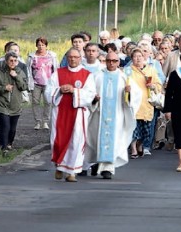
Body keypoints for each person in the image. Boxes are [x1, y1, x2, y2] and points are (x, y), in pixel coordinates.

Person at [85, 51, 142, 179]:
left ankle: (107, 169)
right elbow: (88, 92)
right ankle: (98, 163)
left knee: (114, 141)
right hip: (99, 114)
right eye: (109, 61)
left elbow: (136, 96)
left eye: (114, 61)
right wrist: (94, 99)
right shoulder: (97, 76)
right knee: (96, 140)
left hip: (117, 114)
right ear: (105, 61)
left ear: (118, 62)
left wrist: (129, 93)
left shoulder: (124, 77)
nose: (111, 63)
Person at [45, 48, 97, 182]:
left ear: (80, 58)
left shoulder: (87, 75)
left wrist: (75, 91)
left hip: (78, 113)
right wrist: (59, 90)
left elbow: (90, 94)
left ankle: (71, 172)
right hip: (60, 112)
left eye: (75, 57)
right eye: (70, 57)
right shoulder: (58, 73)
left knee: (76, 141)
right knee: (58, 140)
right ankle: (59, 166)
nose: (73, 59)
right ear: (67, 58)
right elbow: (48, 91)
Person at [0, 52, 28, 155]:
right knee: (5, 125)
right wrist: (4, 88)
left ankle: (8, 143)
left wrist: (16, 77)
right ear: (6, 61)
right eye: (11, 60)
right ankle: (4, 148)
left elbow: (24, 87)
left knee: (12, 129)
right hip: (2, 104)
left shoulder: (20, 72)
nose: (13, 63)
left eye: (15, 61)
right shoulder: (0, 73)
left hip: (16, 105)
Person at [126, 48, 163, 158]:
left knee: (146, 130)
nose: (138, 59)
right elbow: (123, 82)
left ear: (144, 58)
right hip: (133, 103)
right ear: (132, 58)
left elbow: (159, 85)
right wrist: (126, 89)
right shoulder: (128, 70)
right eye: (135, 56)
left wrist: (153, 86)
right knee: (134, 128)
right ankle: (133, 149)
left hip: (147, 103)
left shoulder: (151, 70)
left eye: (140, 56)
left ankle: (140, 144)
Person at [27, 37, 58, 130]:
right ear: (36, 45)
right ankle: (37, 121)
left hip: (48, 83)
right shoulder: (32, 56)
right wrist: (29, 81)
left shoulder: (52, 56)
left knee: (48, 102)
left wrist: (56, 82)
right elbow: (28, 69)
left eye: (43, 45)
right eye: (39, 45)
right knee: (35, 102)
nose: (41, 47)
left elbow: (56, 68)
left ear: (46, 46)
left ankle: (45, 122)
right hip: (36, 82)